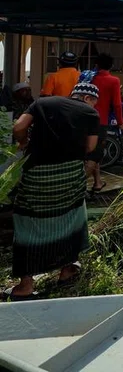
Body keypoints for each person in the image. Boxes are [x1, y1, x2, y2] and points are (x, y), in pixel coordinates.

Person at [4, 82, 100, 301]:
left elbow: (19, 127)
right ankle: (67, 270)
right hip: (70, 173)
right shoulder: (90, 113)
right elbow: (90, 148)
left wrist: (25, 142)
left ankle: (26, 284)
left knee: (28, 220)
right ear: (87, 98)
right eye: (95, 101)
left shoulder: (43, 102)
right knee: (72, 216)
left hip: (39, 174)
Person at [88, 53, 123, 194]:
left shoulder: (89, 78)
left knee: (88, 152)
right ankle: (77, 186)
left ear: (96, 65)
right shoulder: (113, 81)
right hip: (100, 121)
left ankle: (97, 183)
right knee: (95, 154)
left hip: (81, 118)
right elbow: (117, 104)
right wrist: (121, 122)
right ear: (111, 66)